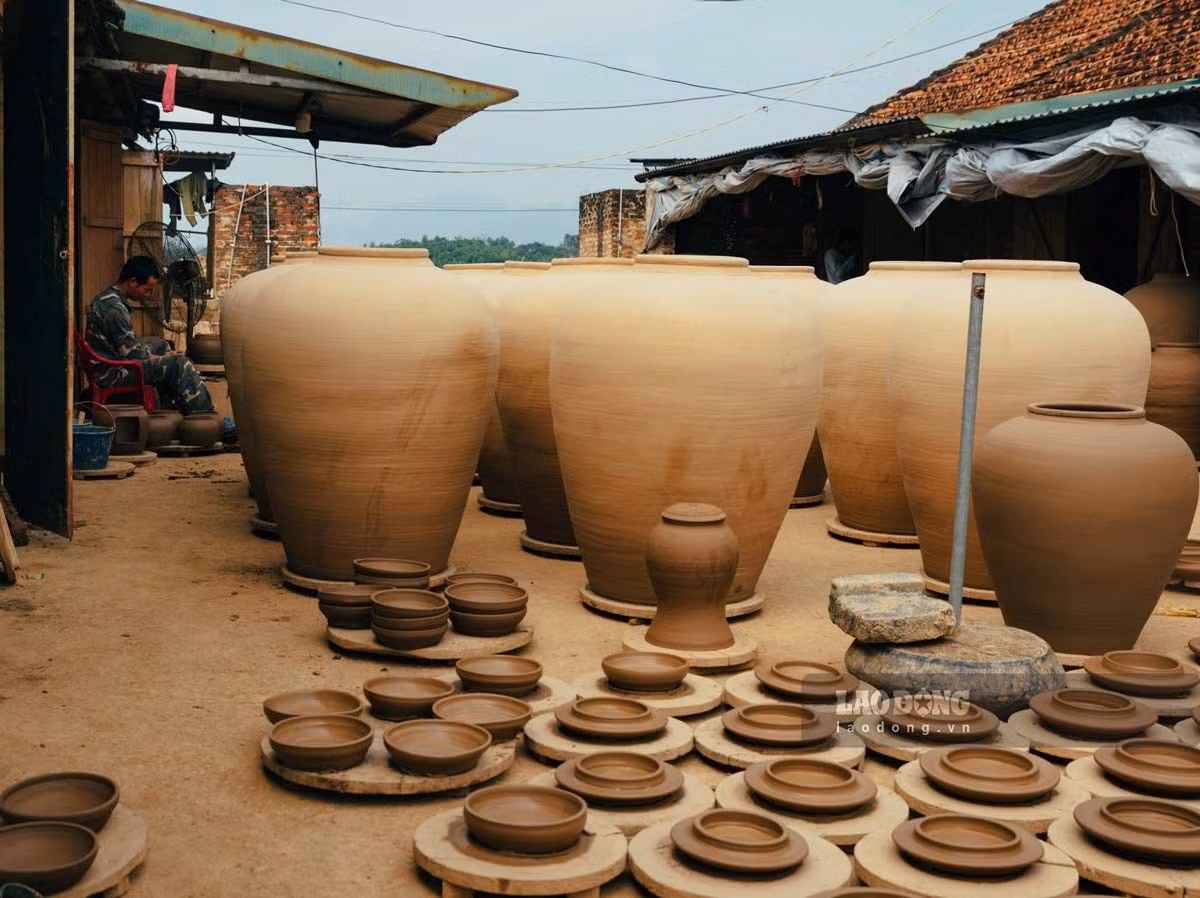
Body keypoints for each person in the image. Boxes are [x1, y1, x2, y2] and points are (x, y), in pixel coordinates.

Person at [85, 255, 218, 417]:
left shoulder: (108, 297)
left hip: (111, 360)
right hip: (111, 373)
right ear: (133, 282)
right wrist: (161, 358)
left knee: (161, 344)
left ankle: (170, 408)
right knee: (179, 363)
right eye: (146, 289)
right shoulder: (114, 309)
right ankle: (206, 416)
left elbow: (129, 346)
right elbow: (134, 355)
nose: (147, 295)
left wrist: (159, 354)